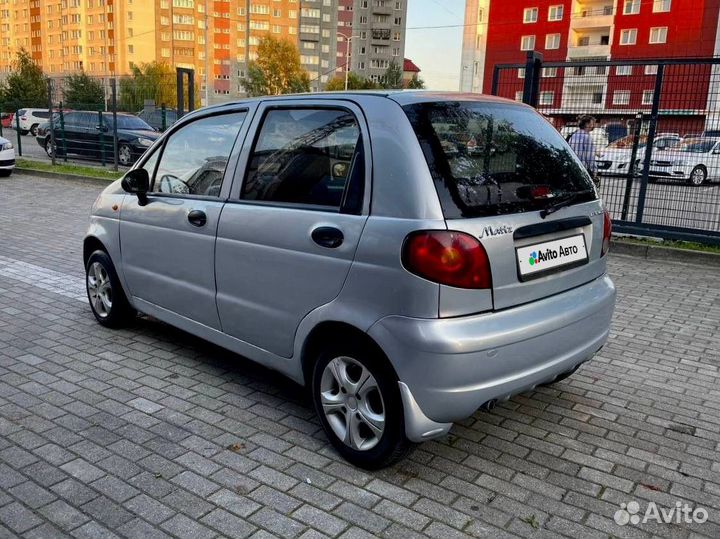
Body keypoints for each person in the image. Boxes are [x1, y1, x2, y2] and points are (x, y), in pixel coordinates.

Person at [568, 115, 599, 187]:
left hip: (573, 167)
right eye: (592, 123)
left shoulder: (573, 135)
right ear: (587, 124)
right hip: (583, 169)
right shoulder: (587, 137)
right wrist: (594, 171)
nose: (593, 125)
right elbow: (589, 157)